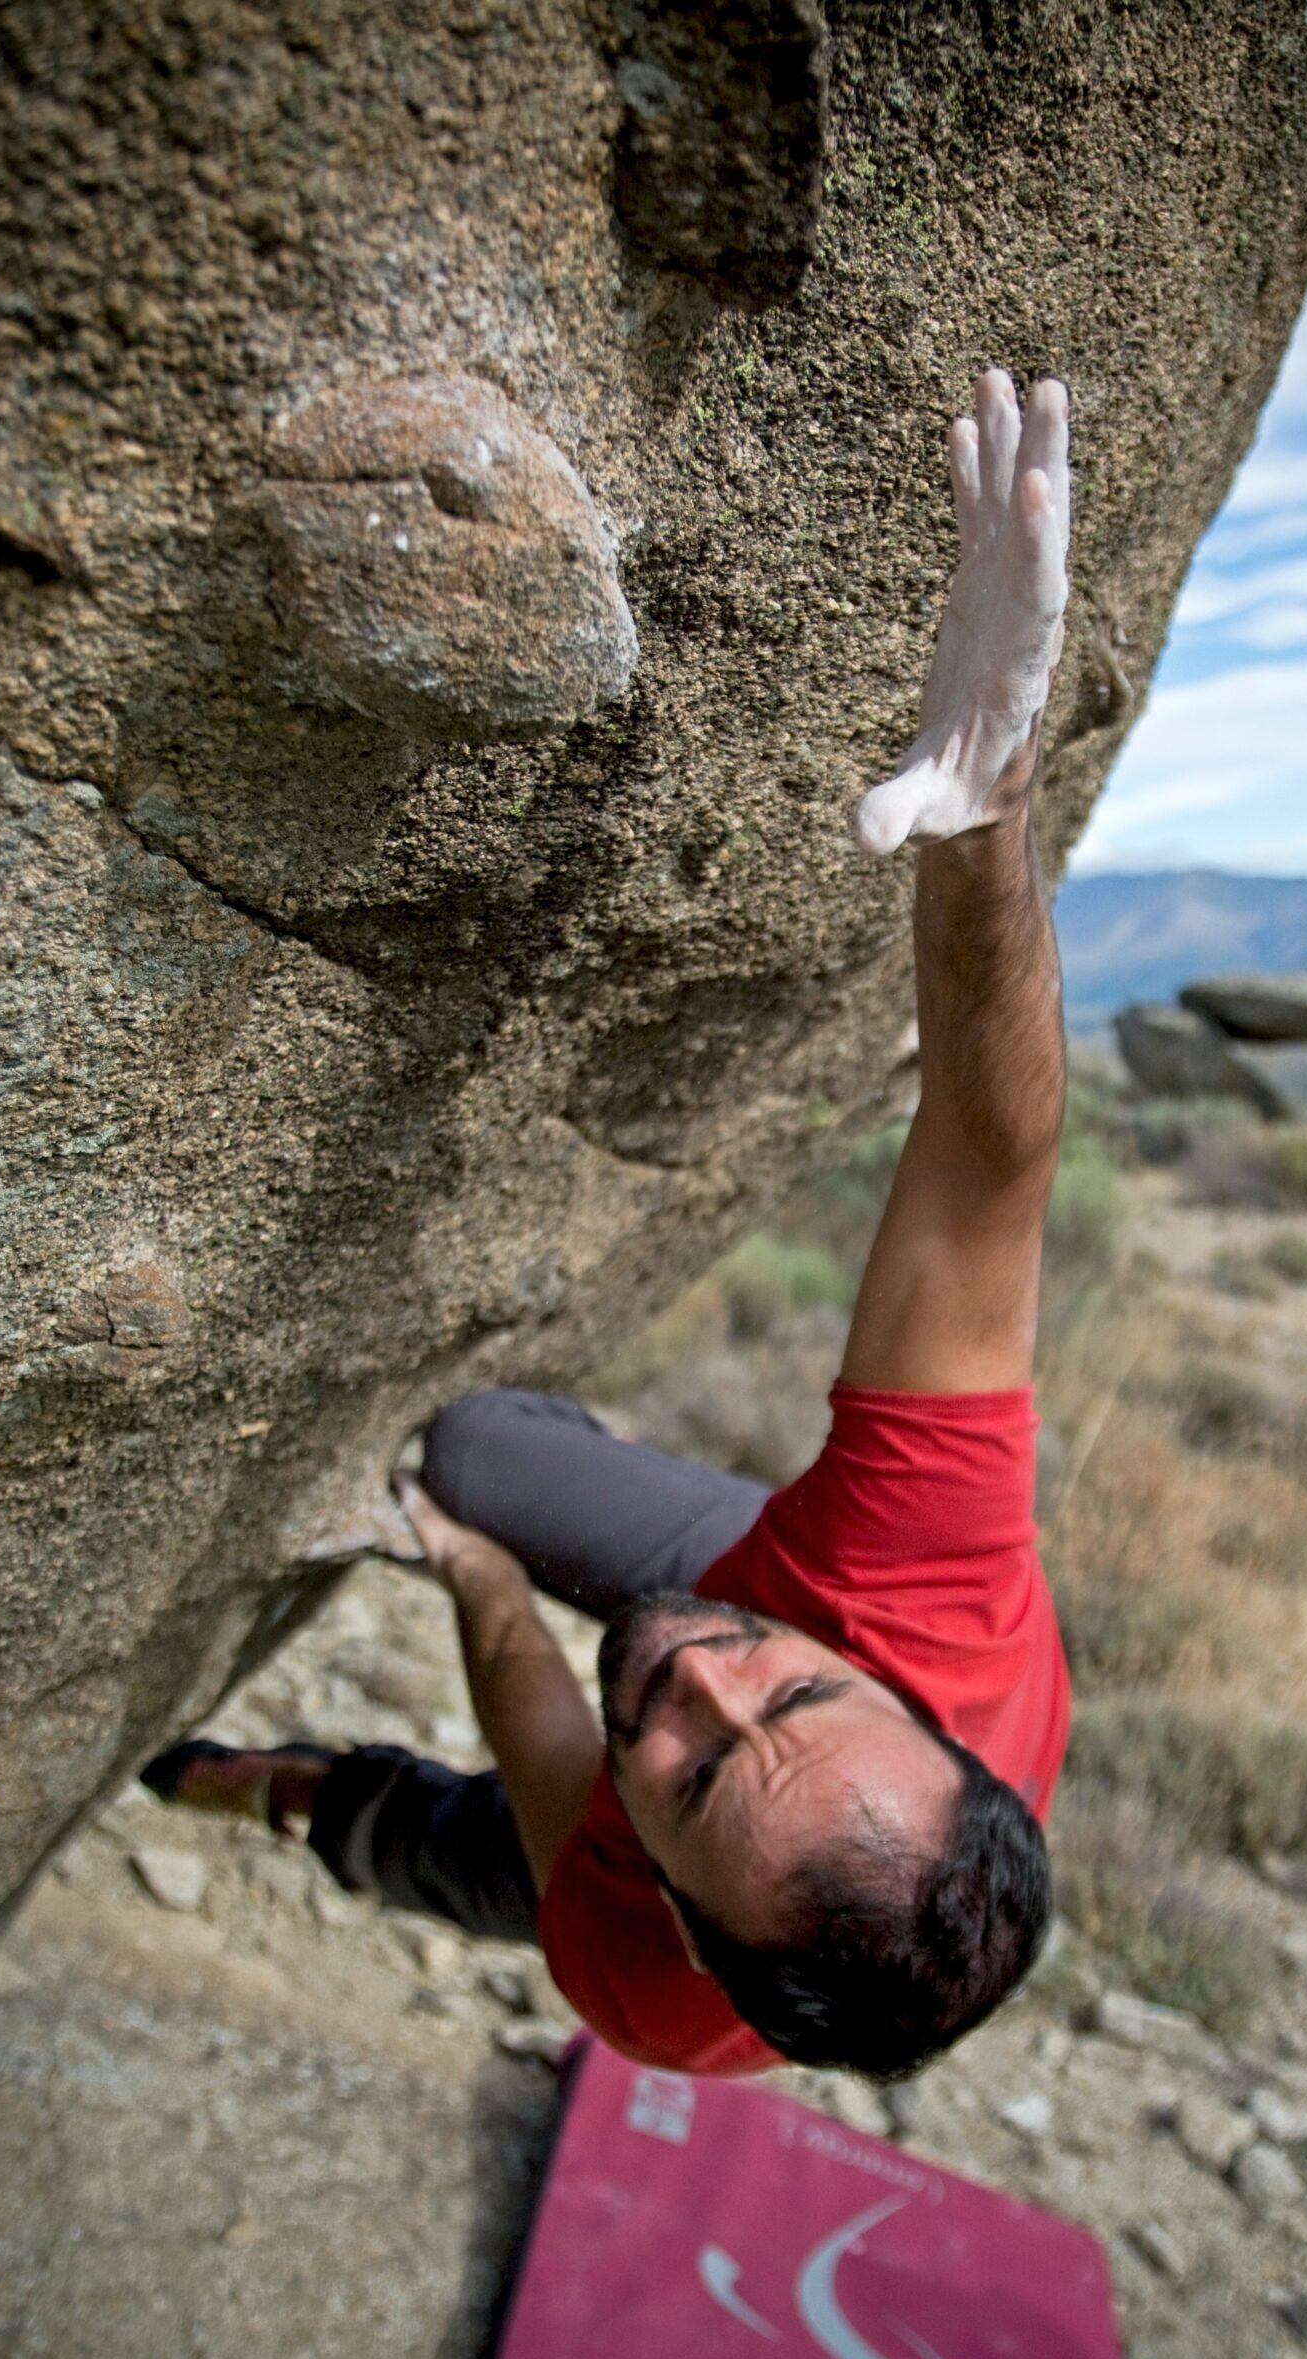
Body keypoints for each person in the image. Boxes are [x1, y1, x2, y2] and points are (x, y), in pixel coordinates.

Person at [145, 368, 1077, 2083]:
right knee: (482, 1447)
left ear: (688, 1912)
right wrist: (989, 819)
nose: (701, 1680)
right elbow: (983, 1163)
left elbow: (562, 1737)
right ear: (901, 1705)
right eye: (796, 1699)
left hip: (590, 1862)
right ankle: (509, 1609)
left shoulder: (643, 1981)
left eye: (705, 1776)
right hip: (826, 1596)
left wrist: (488, 1595)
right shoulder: (918, 1601)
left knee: (453, 1841)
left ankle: (283, 1793)